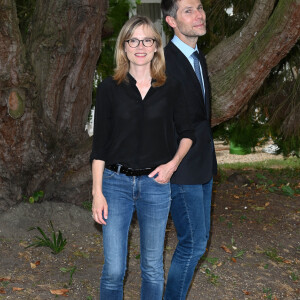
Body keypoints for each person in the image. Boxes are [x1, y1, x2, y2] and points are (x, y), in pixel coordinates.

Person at [90, 15, 194, 300]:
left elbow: (188, 133)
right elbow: (99, 146)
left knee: (151, 267)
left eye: (147, 40)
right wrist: (97, 193)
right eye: (133, 40)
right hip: (114, 184)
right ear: (124, 47)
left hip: (155, 186)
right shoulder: (109, 88)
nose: (140, 46)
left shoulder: (171, 88)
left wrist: (171, 166)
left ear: (156, 46)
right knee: (113, 269)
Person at [160, 0, 218, 299]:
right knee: (193, 244)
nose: (199, 15)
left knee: (197, 242)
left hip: (203, 166)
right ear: (171, 21)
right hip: (181, 170)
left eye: (199, 7)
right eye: (188, 11)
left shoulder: (198, 57)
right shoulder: (163, 62)